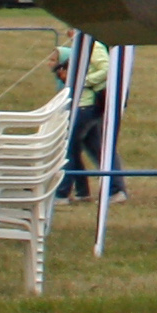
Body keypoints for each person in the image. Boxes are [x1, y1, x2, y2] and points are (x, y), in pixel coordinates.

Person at [55, 37, 117, 201]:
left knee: (68, 150)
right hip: (83, 106)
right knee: (94, 151)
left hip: (84, 106)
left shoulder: (93, 46)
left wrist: (84, 82)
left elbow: (107, 68)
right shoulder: (81, 45)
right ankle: (94, 191)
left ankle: (62, 193)